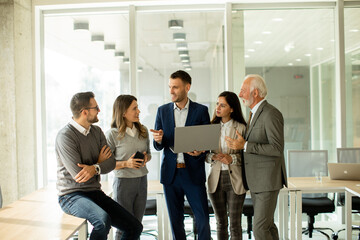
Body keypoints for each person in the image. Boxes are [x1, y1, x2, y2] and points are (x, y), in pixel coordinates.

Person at [55, 91, 143, 240]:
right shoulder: (65, 136)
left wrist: (95, 167)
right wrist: (99, 161)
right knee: (102, 221)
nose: (99, 111)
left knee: (135, 227)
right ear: (84, 112)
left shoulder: (96, 131)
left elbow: (111, 163)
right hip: (71, 195)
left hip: (95, 192)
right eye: (96, 107)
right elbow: (79, 175)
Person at [150, 70, 211, 240]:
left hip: (193, 173)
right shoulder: (162, 111)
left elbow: (207, 142)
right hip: (171, 175)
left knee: (203, 220)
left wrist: (201, 150)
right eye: (170, 87)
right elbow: (157, 146)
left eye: (175, 87)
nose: (171, 91)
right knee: (176, 222)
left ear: (187, 87)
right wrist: (158, 139)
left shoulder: (201, 111)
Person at [225, 74, 287, 240]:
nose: (240, 95)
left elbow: (277, 148)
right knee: (268, 226)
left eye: (243, 90)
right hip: (257, 182)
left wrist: (244, 145)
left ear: (256, 93)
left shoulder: (271, 114)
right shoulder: (254, 114)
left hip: (267, 182)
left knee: (260, 229)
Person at [106, 95, 151, 240]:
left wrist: (145, 158)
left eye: (137, 108)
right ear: (123, 112)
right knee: (123, 227)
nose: (139, 111)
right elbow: (106, 164)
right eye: (135, 108)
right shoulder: (112, 134)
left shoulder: (143, 131)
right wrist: (126, 163)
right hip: (123, 183)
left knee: (137, 225)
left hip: (142, 181)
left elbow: (149, 154)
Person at [206, 91, 247, 240]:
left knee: (235, 225)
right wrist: (213, 156)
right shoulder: (210, 127)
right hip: (215, 179)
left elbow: (247, 157)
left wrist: (232, 159)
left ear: (232, 108)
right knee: (220, 223)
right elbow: (204, 155)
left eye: (222, 105)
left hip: (235, 180)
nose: (218, 108)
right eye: (217, 104)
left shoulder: (241, 128)